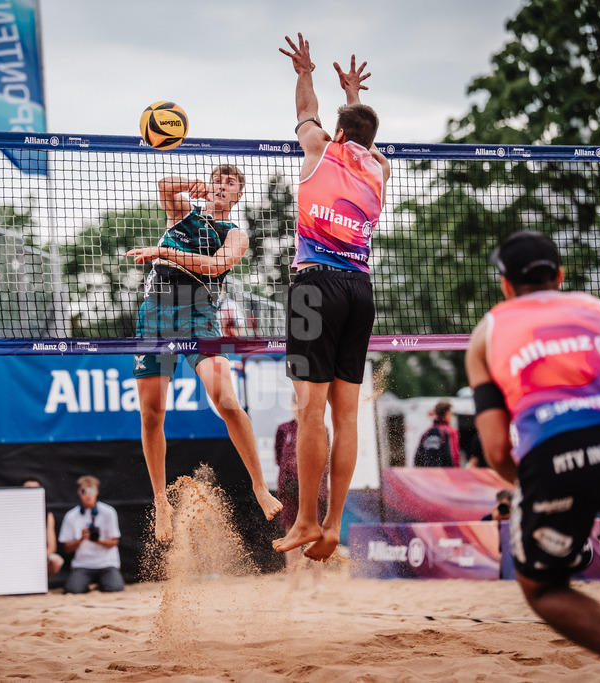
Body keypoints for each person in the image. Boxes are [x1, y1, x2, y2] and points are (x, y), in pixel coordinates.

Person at [465, 230, 600, 682]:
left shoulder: (488, 333)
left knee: (543, 588)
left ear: (505, 284)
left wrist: (547, 480)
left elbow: (497, 450)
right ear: (560, 275)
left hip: (555, 449)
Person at [273, 34, 390, 561]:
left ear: (339, 131)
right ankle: (334, 524)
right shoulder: (379, 169)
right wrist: (354, 98)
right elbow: (364, 136)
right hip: (359, 290)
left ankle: (304, 521)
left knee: (308, 411)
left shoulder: (321, 148)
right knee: (346, 416)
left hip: (315, 285)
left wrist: (305, 72)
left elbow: (305, 108)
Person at [124, 165, 281, 542]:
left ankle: (260, 486)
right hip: (157, 309)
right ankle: (161, 502)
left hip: (199, 310)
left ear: (239, 195)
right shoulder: (183, 214)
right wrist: (188, 181)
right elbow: (163, 184)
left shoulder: (235, 234)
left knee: (226, 399)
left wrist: (163, 251)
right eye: (217, 180)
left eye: (231, 183)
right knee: (151, 413)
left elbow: (215, 266)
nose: (222, 186)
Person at [275, 394, 328, 592]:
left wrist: (317, 488)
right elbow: (278, 457)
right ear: (291, 404)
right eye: (295, 402)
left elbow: (326, 460)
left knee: (315, 533)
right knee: (291, 532)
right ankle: (293, 581)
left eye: (302, 402)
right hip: (290, 488)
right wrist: (289, 481)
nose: (298, 407)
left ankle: (317, 581)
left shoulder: (320, 428)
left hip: (313, 489)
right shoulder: (284, 429)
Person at [57, 476, 124, 594]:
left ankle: (103, 583)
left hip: (106, 563)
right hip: (83, 564)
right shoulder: (71, 516)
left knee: (115, 588)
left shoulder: (108, 512)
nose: (88, 495)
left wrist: (97, 540)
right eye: (84, 491)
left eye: (91, 491)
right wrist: (81, 539)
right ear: (79, 492)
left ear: (97, 492)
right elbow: (66, 548)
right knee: (73, 590)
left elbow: (114, 542)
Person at [21, 479, 64, 579]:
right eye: (28, 489)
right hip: (19, 557)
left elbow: (52, 547)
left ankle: (40, 583)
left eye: (35, 489)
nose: (31, 493)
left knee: (56, 561)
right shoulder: (13, 513)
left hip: (40, 557)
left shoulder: (47, 515)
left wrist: (37, 559)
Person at [414, 400, 461, 467]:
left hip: (427, 473)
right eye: (451, 413)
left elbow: (418, 457)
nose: (452, 416)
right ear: (447, 414)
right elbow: (454, 455)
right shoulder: (451, 431)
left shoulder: (427, 432)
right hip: (445, 473)